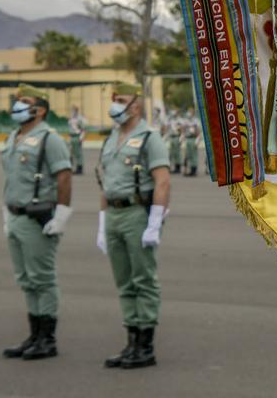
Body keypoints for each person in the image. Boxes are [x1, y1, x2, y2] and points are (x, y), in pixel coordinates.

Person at [96, 81, 170, 369]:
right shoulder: (110, 138)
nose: (115, 105)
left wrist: (154, 221)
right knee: (124, 281)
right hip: (113, 214)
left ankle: (146, 345)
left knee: (143, 279)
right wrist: (101, 222)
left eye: (121, 99)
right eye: (113, 99)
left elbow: (162, 181)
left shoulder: (150, 137)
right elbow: (106, 182)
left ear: (136, 106)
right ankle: (131, 341)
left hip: (137, 213)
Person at [1, 83, 73, 360]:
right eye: (17, 100)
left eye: (25, 101)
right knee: (26, 280)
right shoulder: (13, 136)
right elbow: (12, 178)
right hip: (16, 214)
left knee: (42, 279)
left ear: (40, 110)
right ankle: (34, 334)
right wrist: (6, 212)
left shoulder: (49, 138)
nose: (17, 105)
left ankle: (47, 338)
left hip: (37, 218)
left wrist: (62, 215)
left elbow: (64, 176)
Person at [67, 106, 86, 175]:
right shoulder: (71, 119)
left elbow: (83, 129)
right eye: (72, 110)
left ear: (76, 111)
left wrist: (81, 138)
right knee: (70, 154)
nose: (72, 112)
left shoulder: (79, 119)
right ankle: (70, 168)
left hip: (77, 137)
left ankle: (79, 168)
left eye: (73, 110)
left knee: (78, 153)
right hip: (71, 137)